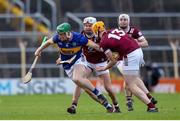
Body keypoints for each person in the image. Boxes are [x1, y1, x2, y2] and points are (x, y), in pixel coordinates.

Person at [34, 22, 114, 113]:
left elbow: (96, 46)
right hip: (67, 65)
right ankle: (107, 105)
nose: (60, 37)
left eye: (62, 35)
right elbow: (48, 42)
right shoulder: (57, 38)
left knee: (77, 78)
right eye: (59, 34)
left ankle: (99, 94)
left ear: (68, 33)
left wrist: (110, 51)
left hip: (79, 61)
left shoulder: (79, 38)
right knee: (88, 91)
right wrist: (39, 50)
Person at [92, 21, 158, 112]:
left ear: (96, 31)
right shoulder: (114, 30)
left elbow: (113, 60)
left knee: (131, 85)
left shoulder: (103, 42)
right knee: (129, 81)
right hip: (138, 51)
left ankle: (151, 106)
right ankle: (147, 98)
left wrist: (104, 68)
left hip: (130, 55)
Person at [66, 17, 120, 114]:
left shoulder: (101, 34)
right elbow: (74, 48)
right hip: (87, 62)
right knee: (79, 81)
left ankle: (116, 105)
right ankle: (74, 105)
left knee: (108, 88)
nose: (87, 27)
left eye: (90, 25)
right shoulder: (81, 35)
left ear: (95, 26)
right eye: (86, 25)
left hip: (102, 62)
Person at [116, 13, 157, 111]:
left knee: (129, 78)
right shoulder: (116, 32)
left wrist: (133, 42)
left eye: (125, 19)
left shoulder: (134, 30)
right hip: (120, 58)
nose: (123, 21)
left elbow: (145, 43)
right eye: (121, 19)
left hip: (133, 57)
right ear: (118, 21)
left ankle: (129, 100)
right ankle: (148, 96)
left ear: (128, 21)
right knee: (130, 77)